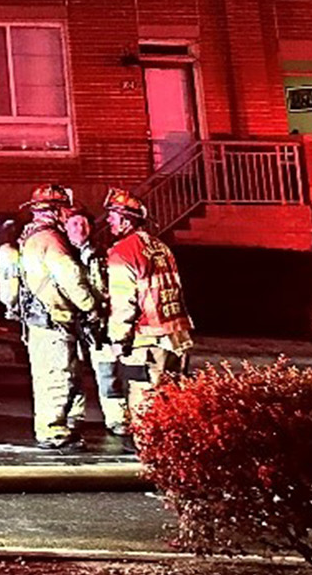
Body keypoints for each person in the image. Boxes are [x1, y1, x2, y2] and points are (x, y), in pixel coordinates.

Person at [11, 184, 101, 450]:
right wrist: (91, 306)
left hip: (41, 320)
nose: (67, 215)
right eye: (63, 209)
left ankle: (60, 427)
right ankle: (52, 432)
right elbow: (70, 277)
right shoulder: (51, 240)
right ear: (54, 210)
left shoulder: (29, 236)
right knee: (56, 375)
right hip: (53, 320)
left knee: (55, 374)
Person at [104, 187, 195, 444]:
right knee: (171, 398)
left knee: (144, 401)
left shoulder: (123, 252)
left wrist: (117, 340)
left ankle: (152, 457)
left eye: (112, 215)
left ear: (126, 219)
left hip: (147, 340)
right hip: (176, 335)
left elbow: (124, 303)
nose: (109, 220)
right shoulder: (161, 247)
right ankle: (174, 453)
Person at [62, 208, 126, 440]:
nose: (80, 229)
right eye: (75, 224)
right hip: (71, 322)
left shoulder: (103, 253)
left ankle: (117, 418)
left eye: (84, 224)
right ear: (66, 227)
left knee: (108, 372)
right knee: (72, 373)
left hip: (100, 323)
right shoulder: (61, 254)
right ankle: (73, 416)